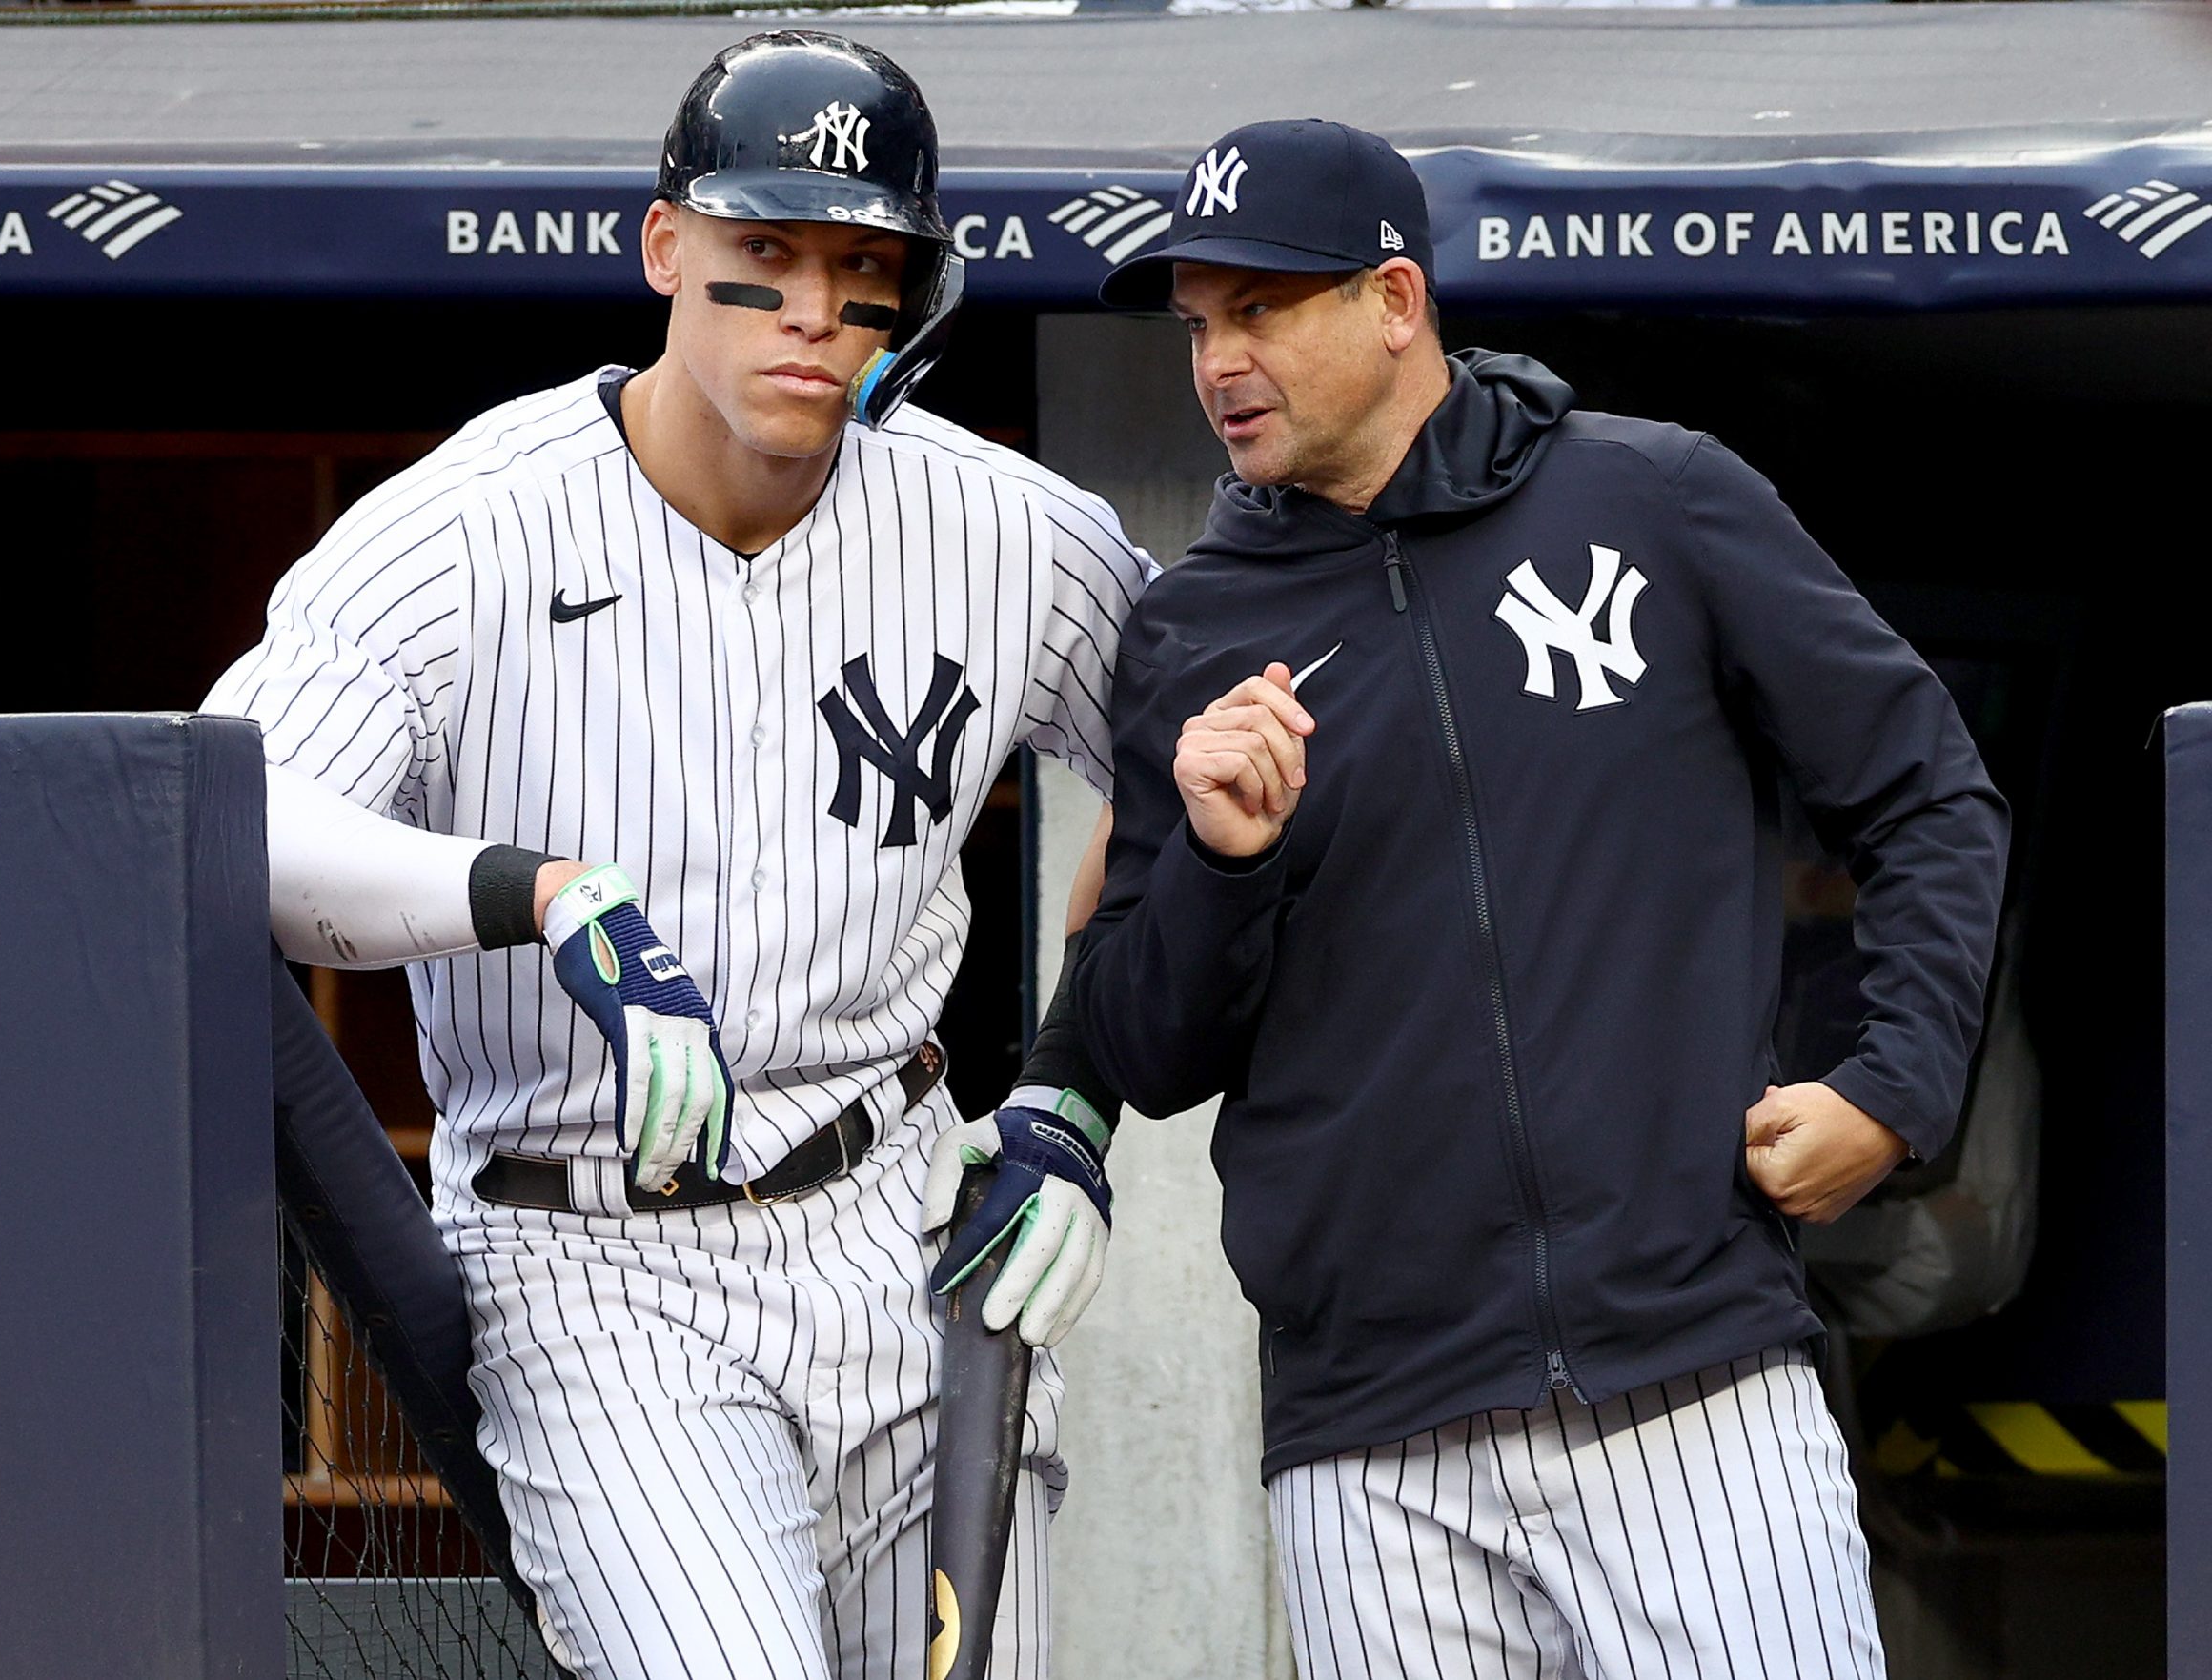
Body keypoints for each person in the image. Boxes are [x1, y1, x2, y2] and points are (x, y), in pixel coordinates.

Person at [205, 32, 1151, 1680]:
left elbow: (1207, 766)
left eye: (863, 271)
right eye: (762, 257)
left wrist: (1076, 1084)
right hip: (591, 1257)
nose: (811, 312)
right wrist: (545, 897)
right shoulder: (467, 527)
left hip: (901, 1217)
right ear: (665, 250)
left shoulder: (1013, 529)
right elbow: (238, 829)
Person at [1075, 119, 2008, 1679]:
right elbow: (1143, 1046)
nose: (1219, 359)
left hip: (1694, 1388)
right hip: (1369, 1442)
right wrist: (1222, 865)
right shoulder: (1190, 630)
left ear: (1393, 299)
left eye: (1263, 309)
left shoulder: (1658, 498)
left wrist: (1895, 1090)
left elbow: (1927, 793)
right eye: (1197, 322)